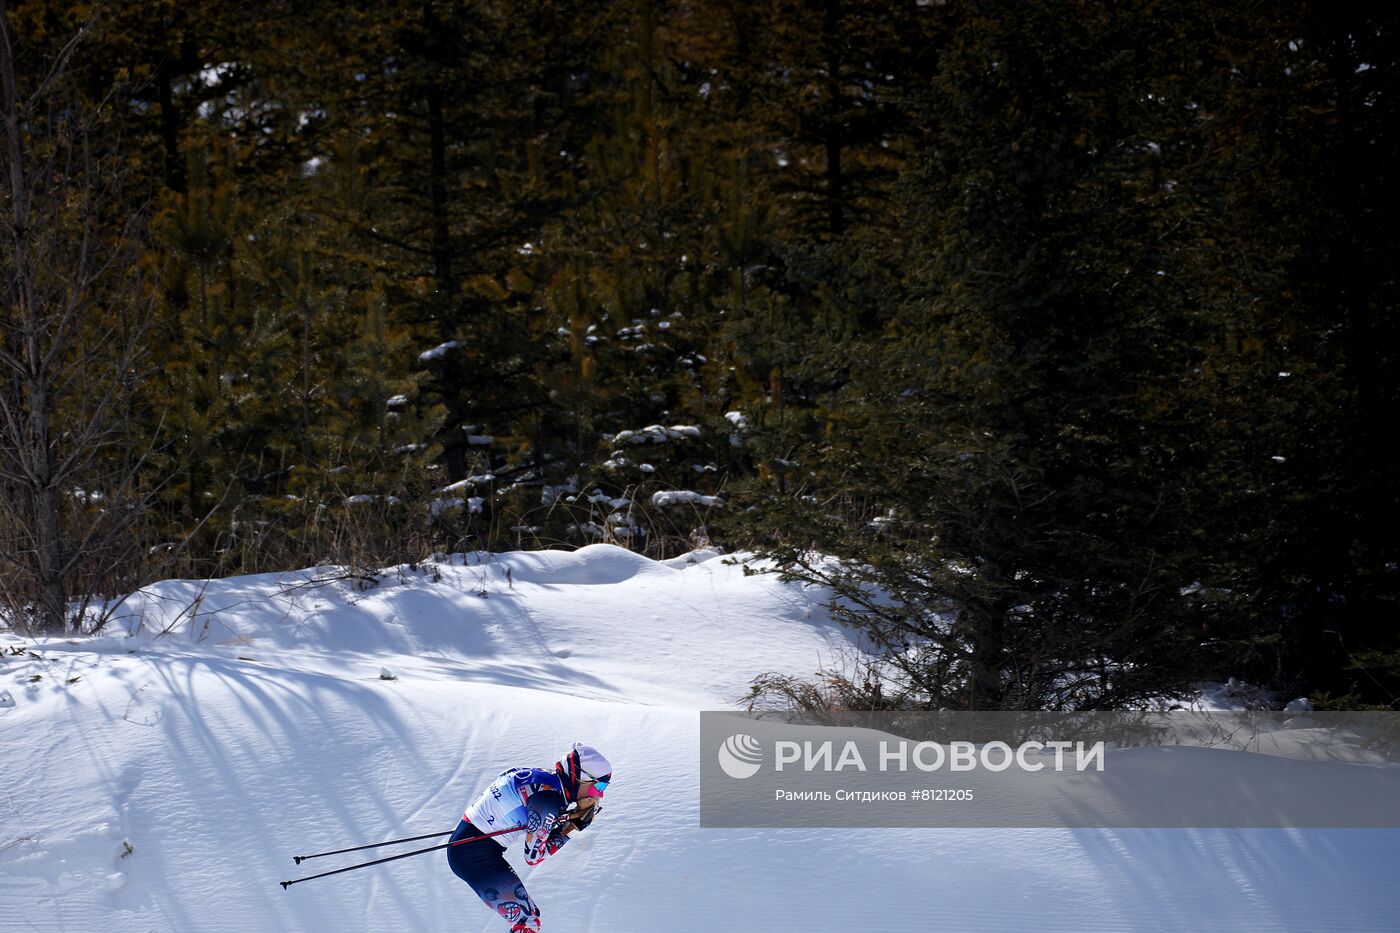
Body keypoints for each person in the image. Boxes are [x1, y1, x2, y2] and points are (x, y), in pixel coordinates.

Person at [447, 742, 613, 932]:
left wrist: (564, 821)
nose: (600, 793)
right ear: (579, 778)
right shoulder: (548, 799)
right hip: (474, 856)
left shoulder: (546, 780)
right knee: (527, 922)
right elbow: (534, 856)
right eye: (598, 785)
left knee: (529, 916)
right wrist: (573, 828)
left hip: (469, 846)